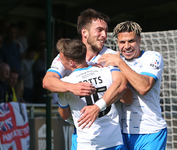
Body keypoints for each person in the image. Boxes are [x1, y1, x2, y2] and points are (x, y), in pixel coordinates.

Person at [42, 8, 127, 149]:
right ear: (84, 32)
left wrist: (97, 107)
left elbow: (121, 85)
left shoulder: (111, 56)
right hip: (84, 134)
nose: (104, 35)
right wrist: (72, 87)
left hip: (112, 132)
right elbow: (47, 81)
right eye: (99, 30)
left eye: (106, 31)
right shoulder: (67, 56)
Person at [98, 21, 168, 150]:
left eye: (131, 41)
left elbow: (144, 87)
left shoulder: (152, 57)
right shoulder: (112, 61)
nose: (127, 46)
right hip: (121, 132)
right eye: (122, 42)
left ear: (139, 40)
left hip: (150, 132)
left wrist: (119, 63)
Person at [57, 38, 132, 150]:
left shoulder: (64, 84)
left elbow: (65, 115)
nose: (59, 60)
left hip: (88, 144)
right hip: (114, 142)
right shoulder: (106, 72)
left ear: (71, 62)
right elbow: (124, 90)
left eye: (61, 58)